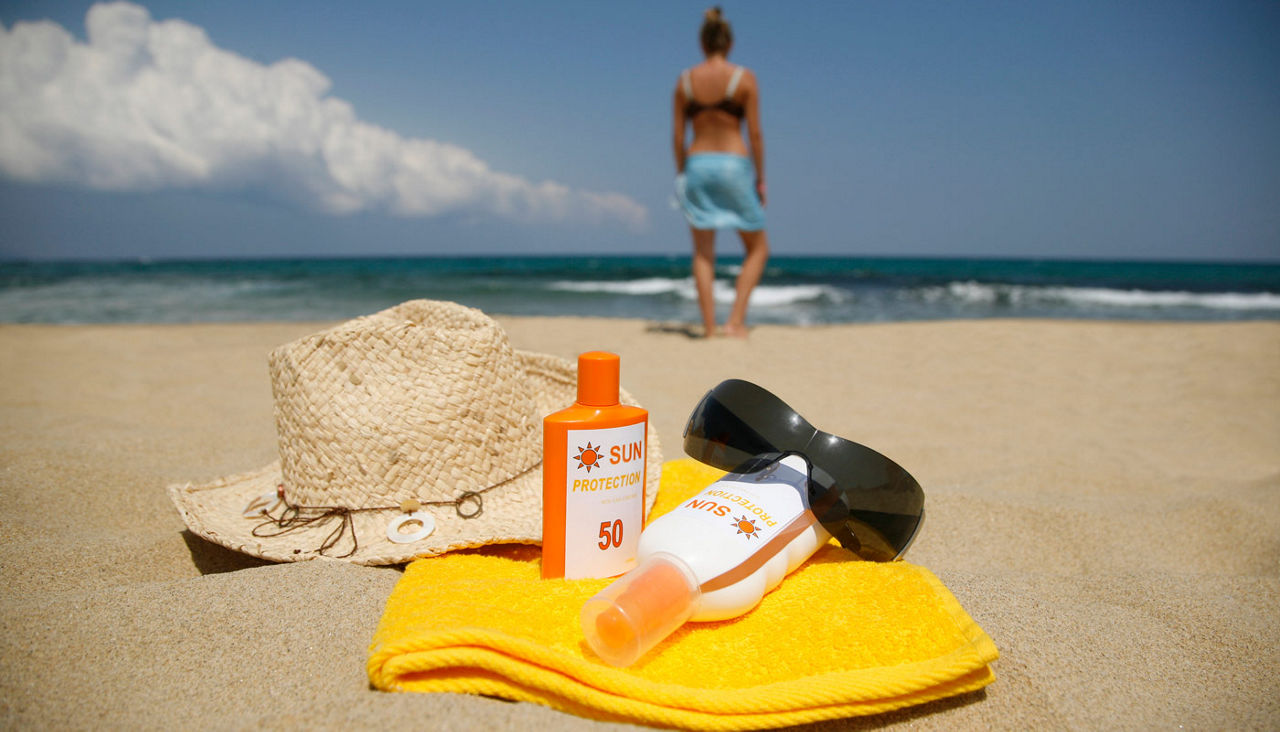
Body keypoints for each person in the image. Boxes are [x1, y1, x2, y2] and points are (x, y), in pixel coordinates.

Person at [673, 6, 769, 338]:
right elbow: (755, 133)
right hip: (733, 162)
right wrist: (760, 178)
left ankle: (710, 329)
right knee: (757, 248)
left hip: (697, 163)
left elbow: (677, 136)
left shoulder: (685, 82)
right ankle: (735, 322)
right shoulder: (744, 79)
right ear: (729, 43)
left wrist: (683, 174)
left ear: (703, 43)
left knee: (703, 252)